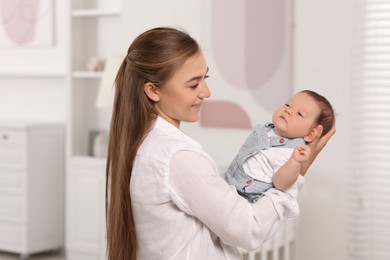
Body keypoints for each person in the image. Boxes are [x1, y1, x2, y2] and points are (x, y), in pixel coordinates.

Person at [105, 27, 335, 260]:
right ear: (153, 90)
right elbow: (249, 230)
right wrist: (295, 177)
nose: (206, 92)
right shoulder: (178, 156)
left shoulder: (144, 142)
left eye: (205, 78)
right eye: (193, 84)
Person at [225, 90, 335, 207]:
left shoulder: (292, 151)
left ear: (310, 134)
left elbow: (280, 184)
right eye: (288, 105)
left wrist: (295, 161)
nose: (288, 110)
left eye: (299, 114)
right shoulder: (268, 130)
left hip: (247, 196)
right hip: (229, 178)